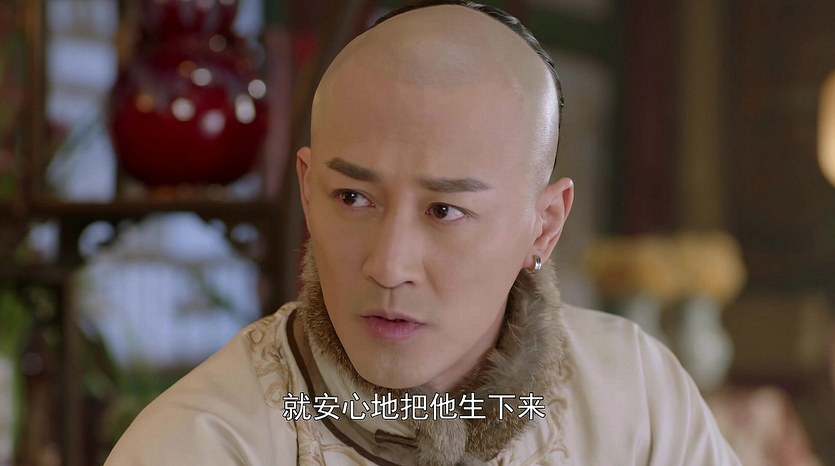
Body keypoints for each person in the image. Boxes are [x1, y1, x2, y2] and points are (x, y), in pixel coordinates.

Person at [105, 1, 741, 464]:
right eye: (353, 198)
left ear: (544, 226)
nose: (388, 266)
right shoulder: (200, 443)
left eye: (444, 211)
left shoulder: (635, 398)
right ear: (307, 190)